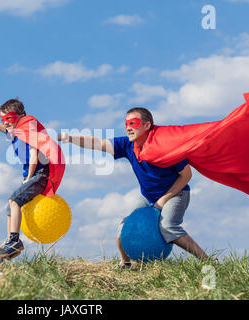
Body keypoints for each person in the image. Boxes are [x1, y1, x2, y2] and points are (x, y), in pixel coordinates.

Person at [58, 107, 209, 268]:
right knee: (123, 228)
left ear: (147, 125)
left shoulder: (165, 146)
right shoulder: (127, 145)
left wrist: (163, 200)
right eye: (126, 124)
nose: (128, 127)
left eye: (133, 123)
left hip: (176, 193)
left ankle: (209, 262)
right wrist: (70, 138)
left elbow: (186, 176)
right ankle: (126, 264)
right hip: (148, 196)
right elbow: (98, 143)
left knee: (168, 227)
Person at [0, 98, 64, 263]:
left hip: (40, 174)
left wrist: (29, 178)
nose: (5, 123)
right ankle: (9, 243)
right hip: (32, 175)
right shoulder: (14, 133)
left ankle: (15, 240)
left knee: (14, 201)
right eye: (4, 119)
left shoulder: (29, 130)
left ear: (21, 116)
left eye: (9, 118)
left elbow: (33, 154)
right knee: (10, 208)